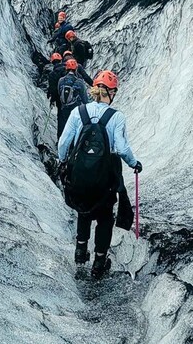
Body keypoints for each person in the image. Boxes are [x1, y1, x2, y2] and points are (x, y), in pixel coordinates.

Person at [58, 70, 142, 279]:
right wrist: (134, 163)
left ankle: (80, 251)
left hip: (80, 174)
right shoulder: (116, 117)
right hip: (105, 177)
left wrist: (63, 162)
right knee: (105, 217)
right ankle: (99, 261)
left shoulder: (79, 112)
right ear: (112, 93)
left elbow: (63, 142)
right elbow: (121, 149)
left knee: (83, 209)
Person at [57, 59, 90, 138]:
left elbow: (59, 92)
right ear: (76, 69)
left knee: (66, 125)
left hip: (64, 107)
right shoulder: (79, 82)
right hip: (76, 108)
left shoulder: (61, 80)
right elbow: (85, 99)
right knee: (75, 127)